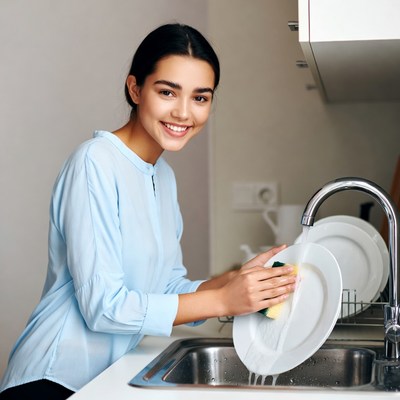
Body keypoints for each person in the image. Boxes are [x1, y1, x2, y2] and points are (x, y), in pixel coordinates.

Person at [0, 23, 296, 399]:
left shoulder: (162, 175)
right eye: (167, 92)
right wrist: (222, 301)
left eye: (200, 98)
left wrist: (234, 281)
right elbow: (104, 308)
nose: (184, 112)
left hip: (105, 378)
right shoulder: (95, 162)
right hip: (54, 380)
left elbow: (167, 287)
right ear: (135, 88)